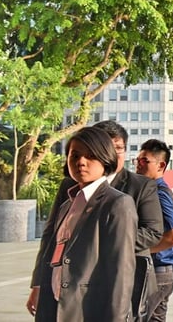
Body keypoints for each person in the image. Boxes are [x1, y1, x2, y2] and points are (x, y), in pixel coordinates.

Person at [31, 120, 164, 321]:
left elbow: (125, 266)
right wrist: (39, 284)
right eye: (74, 155)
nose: (81, 162)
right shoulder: (70, 195)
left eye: (91, 154)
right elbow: (52, 240)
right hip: (59, 297)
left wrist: (102, 241)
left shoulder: (126, 197)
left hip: (94, 299)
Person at [136, 139, 173, 322]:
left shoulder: (159, 193)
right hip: (160, 270)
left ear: (161, 165)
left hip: (158, 270)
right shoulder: (150, 190)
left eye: (145, 161)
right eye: (137, 160)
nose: (139, 165)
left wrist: (140, 251)